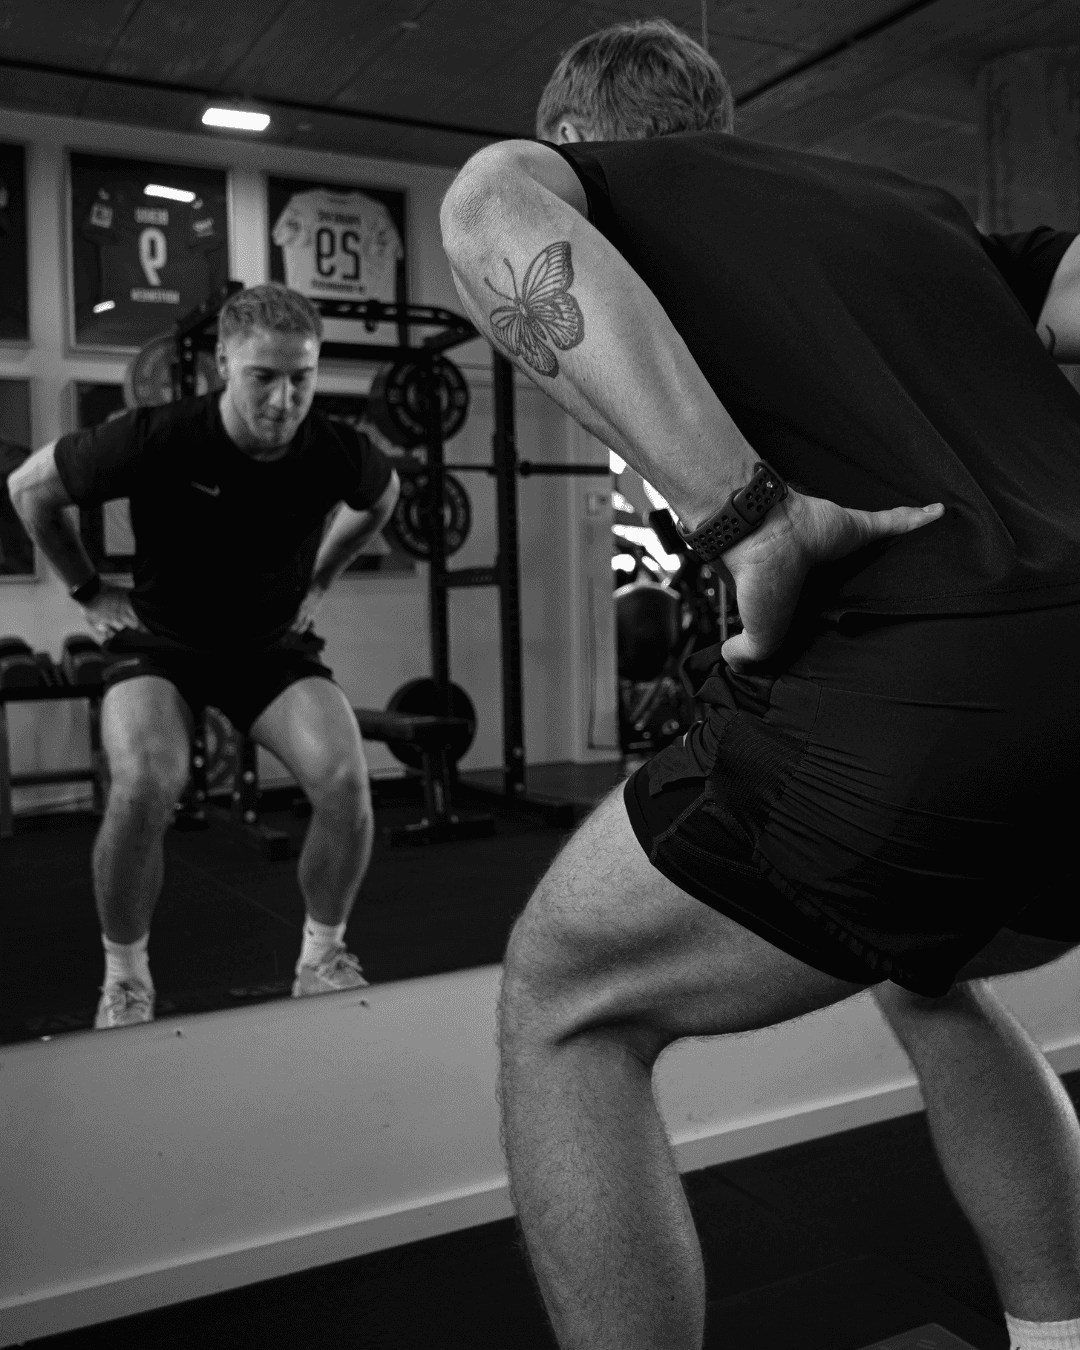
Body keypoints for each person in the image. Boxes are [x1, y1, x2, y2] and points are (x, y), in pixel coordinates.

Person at [440, 17, 1080, 1350]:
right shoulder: (915, 210)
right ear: (720, 126)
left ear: (580, 133)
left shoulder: (592, 179)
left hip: (925, 690)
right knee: (928, 972)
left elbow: (486, 206)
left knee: (564, 1001)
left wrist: (745, 518)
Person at [9, 283, 399, 1030]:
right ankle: (125, 978)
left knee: (346, 781)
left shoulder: (335, 449)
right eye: (263, 377)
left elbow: (382, 499)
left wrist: (321, 577)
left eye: (302, 378)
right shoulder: (157, 437)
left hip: (269, 648)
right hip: (163, 644)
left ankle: (321, 958)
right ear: (223, 364)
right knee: (145, 783)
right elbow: (29, 489)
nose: (284, 400)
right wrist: (88, 590)